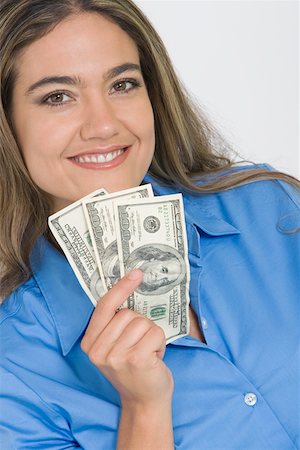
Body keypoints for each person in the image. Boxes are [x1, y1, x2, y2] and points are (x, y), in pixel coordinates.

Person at [0, 1, 299, 449]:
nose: (103, 125)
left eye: (122, 84)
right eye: (58, 96)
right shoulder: (14, 366)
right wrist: (143, 410)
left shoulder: (271, 210)